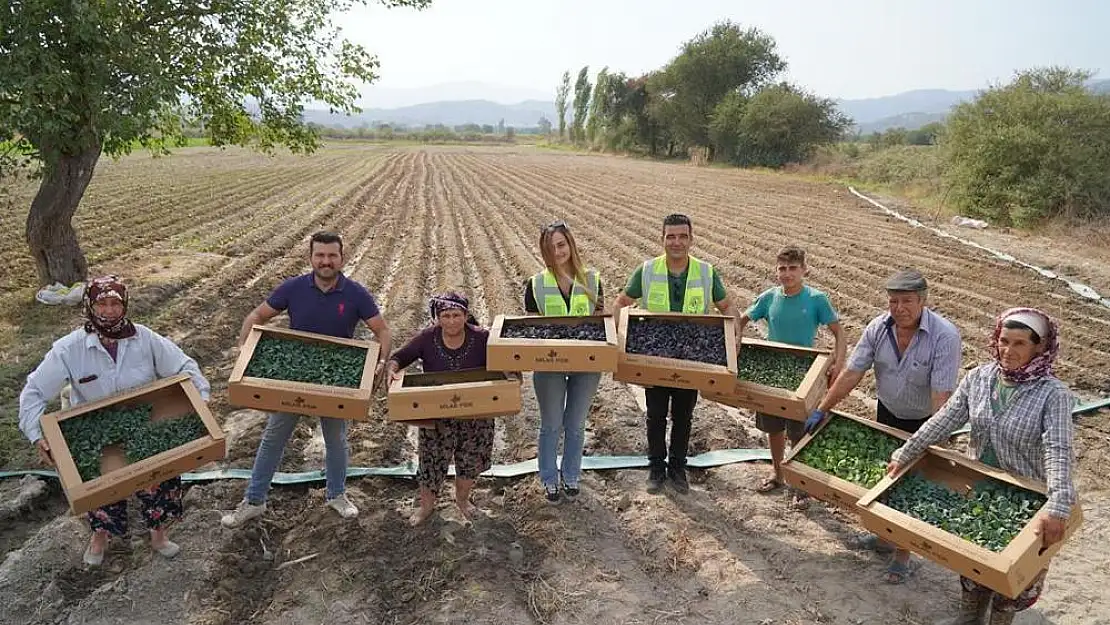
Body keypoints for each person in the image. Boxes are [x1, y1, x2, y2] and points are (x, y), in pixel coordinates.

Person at [885, 308, 1075, 625]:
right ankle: (969, 617)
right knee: (974, 564)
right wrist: (906, 452)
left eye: (1019, 344)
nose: (1008, 351)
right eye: (1004, 341)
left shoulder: (1052, 394)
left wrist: (1057, 506)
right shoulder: (980, 378)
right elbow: (944, 421)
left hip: (1025, 499)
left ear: (1039, 348)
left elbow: (1058, 450)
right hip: (980, 488)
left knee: (1009, 581)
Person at [19, 275, 211, 566]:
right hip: (97, 426)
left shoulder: (144, 338)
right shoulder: (69, 349)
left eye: (115, 303)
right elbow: (33, 392)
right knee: (101, 484)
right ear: (90, 306)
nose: (109, 311)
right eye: (101, 303)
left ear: (125, 306)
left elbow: (184, 366)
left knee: (159, 476)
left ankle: (158, 535)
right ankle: (100, 537)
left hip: (144, 419)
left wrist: (200, 403)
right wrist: (37, 434)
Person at [221, 231, 392, 528]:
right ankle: (254, 500)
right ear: (311, 258)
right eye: (320, 256)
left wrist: (380, 361)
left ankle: (337, 495)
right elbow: (256, 317)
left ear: (342, 258)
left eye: (332, 256)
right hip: (294, 376)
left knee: (336, 440)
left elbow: (383, 331)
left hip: (337, 378)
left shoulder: (355, 293)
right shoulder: (294, 288)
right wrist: (243, 350)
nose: (326, 261)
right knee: (274, 437)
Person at [805, 268, 962, 583]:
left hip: (924, 421)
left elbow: (940, 397)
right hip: (888, 412)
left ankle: (902, 555)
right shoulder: (878, 328)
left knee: (907, 485)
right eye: (893, 301)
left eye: (906, 301)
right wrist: (822, 409)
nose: (899, 308)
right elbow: (852, 372)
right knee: (883, 476)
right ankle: (884, 537)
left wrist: (929, 440)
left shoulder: (945, 336)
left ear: (922, 301)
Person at [614, 213, 736, 494]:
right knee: (655, 415)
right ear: (662, 239)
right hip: (654, 357)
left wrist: (734, 337)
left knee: (683, 416)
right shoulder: (647, 270)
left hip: (691, 359)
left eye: (682, 236)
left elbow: (727, 307)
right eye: (671, 236)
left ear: (691, 239)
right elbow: (621, 303)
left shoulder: (706, 272)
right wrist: (622, 342)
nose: (677, 242)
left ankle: (678, 468)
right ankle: (656, 468)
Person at [738, 246, 845, 507]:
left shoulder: (816, 299)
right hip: (773, 370)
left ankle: (800, 484)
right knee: (773, 428)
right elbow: (741, 320)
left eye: (793, 269)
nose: (787, 274)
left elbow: (839, 333)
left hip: (804, 373)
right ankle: (777, 473)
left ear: (804, 270)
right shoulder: (769, 297)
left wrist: (837, 363)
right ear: (777, 270)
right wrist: (735, 342)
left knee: (799, 431)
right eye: (782, 269)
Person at [386, 292, 496, 526]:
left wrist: (512, 374)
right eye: (445, 315)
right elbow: (399, 357)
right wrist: (392, 369)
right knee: (431, 461)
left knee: (470, 459)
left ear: (466, 315)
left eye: (457, 315)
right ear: (437, 317)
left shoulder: (482, 337)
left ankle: (463, 501)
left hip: (474, 411)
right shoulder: (427, 338)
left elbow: (505, 360)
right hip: (436, 412)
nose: (451, 321)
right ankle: (426, 507)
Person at [524, 220, 604, 503]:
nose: (557, 251)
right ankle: (549, 479)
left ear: (570, 244)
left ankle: (571, 475)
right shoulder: (535, 284)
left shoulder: (592, 280)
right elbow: (532, 328)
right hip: (550, 363)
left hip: (586, 364)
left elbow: (600, 323)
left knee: (576, 422)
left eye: (561, 244)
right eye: (551, 247)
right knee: (551, 423)